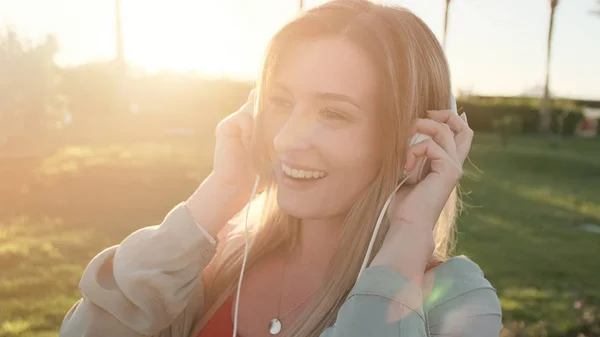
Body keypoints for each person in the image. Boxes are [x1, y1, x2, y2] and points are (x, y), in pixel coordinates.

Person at [59, 1, 502, 336]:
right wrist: (219, 192)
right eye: (280, 102)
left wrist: (410, 227)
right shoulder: (212, 262)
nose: (286, 138)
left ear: (416, 140)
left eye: (334, 114)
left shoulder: (454, 302)